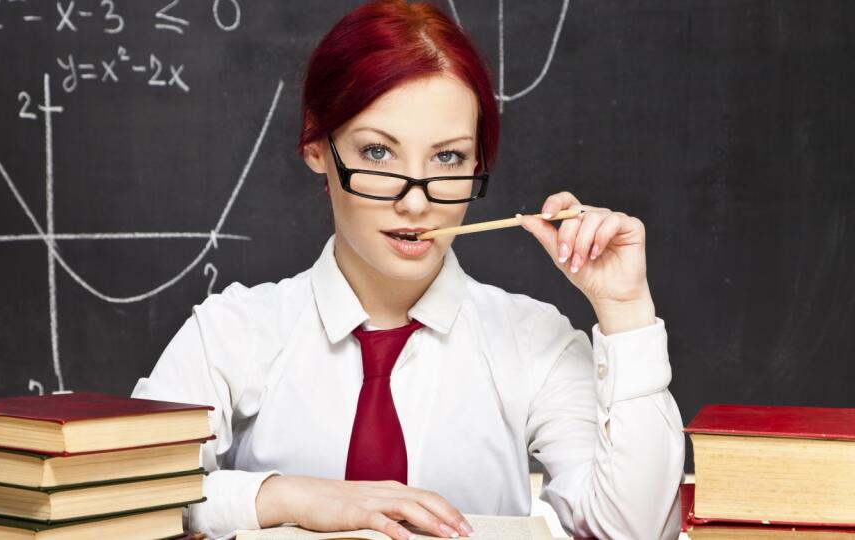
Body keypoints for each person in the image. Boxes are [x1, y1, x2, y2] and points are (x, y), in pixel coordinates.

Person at [132, 1, 685, 539]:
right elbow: (121, 500)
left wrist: (625, 310)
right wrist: (288, 497)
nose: (417, 204)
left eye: (447, 159)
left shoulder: (535, 343)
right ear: (316, 145)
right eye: (377, 153)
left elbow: (635, 532)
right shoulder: (230, 333)